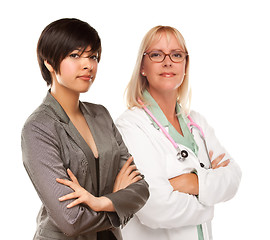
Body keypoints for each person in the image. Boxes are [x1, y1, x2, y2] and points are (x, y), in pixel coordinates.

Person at [21, 18, 149, 240]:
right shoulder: (38, 128)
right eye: (75, 55)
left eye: (93, 56)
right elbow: (71, 220)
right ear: (49, 63)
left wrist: (101, 202)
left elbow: (141, 188)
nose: (88, 65)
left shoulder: (101, 115)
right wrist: (117, 202)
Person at [116, 25, 242, 240]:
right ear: (142, 67)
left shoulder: (196, 122)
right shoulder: (130, 126)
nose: (168, 61)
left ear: (185, 65)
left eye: (176, 54)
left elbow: (233, 177)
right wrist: (210, 200)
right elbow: (154, 207)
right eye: (156, 54)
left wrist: (193, 182)